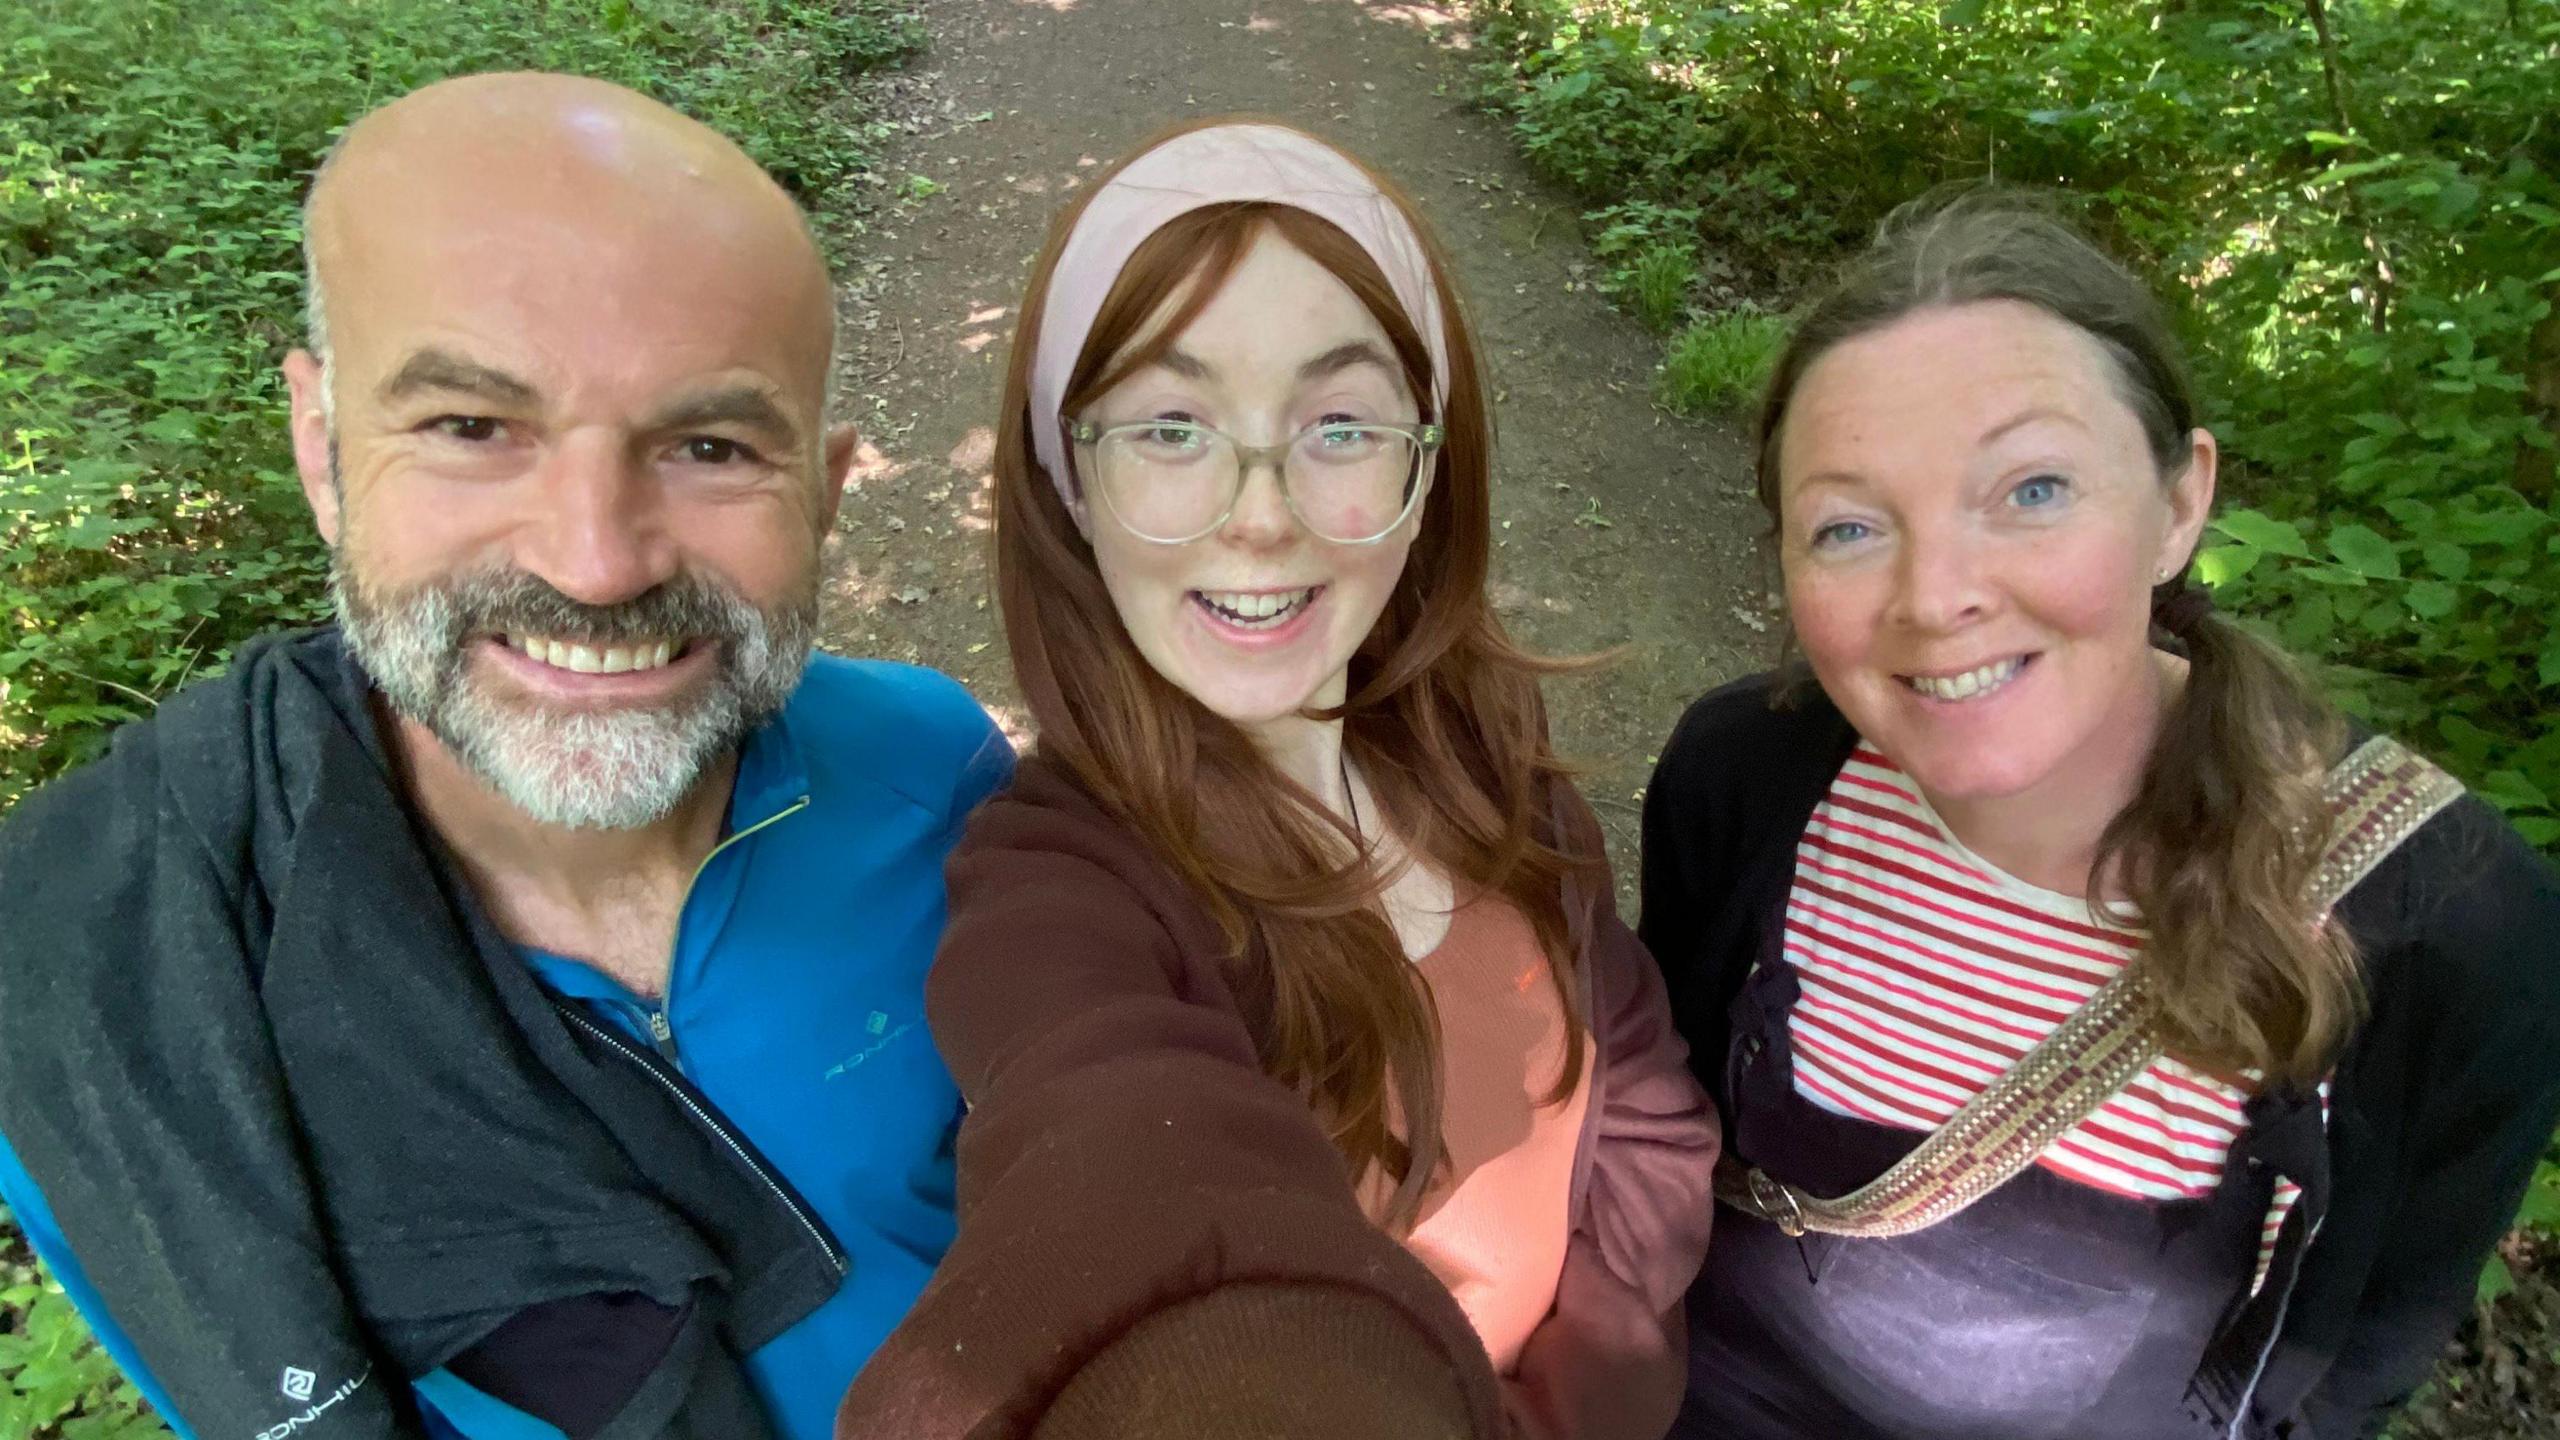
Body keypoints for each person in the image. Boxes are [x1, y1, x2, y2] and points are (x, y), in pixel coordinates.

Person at [0, 73, 1011, 1440]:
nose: (593, 563)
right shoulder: (115, 977)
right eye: (474, 429)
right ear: (322, 448)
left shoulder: (931, 775)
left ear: (825, 494)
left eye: (710, 446)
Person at [838, 120, 1720, 1440]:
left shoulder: (1501, 788)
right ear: (1070, 480)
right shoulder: (1059, 892)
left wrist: (1576, 1390)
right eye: (1173, 426)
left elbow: (1647, 1114)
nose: (1261, 512)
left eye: (1341, 423)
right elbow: (1106, 1171)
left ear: (1427, 471)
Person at [1638, 190, 2560, 1440]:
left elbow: (2348, 1360)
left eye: (2030, 490)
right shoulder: (1741, 782)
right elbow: (1668, 1136)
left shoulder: (2448, 920)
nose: (1938, 594)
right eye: (1849, 525)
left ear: (2180, 503)